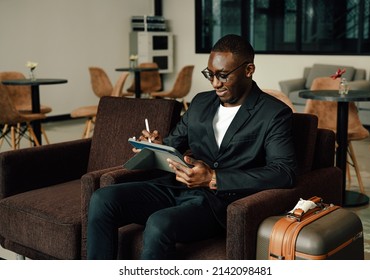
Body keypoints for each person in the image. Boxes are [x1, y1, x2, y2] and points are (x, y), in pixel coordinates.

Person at [87, 34, 297, 259]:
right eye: (210, 74)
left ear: (249, 70)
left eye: (223, 76)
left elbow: (284, 173)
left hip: (219, 204)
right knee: (102, 199)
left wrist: (214, 177)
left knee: (159, 223)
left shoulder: (274, 113)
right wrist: (155, 146)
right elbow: (173, 143)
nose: (215, 83)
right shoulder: (200, 103)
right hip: (177, 188)